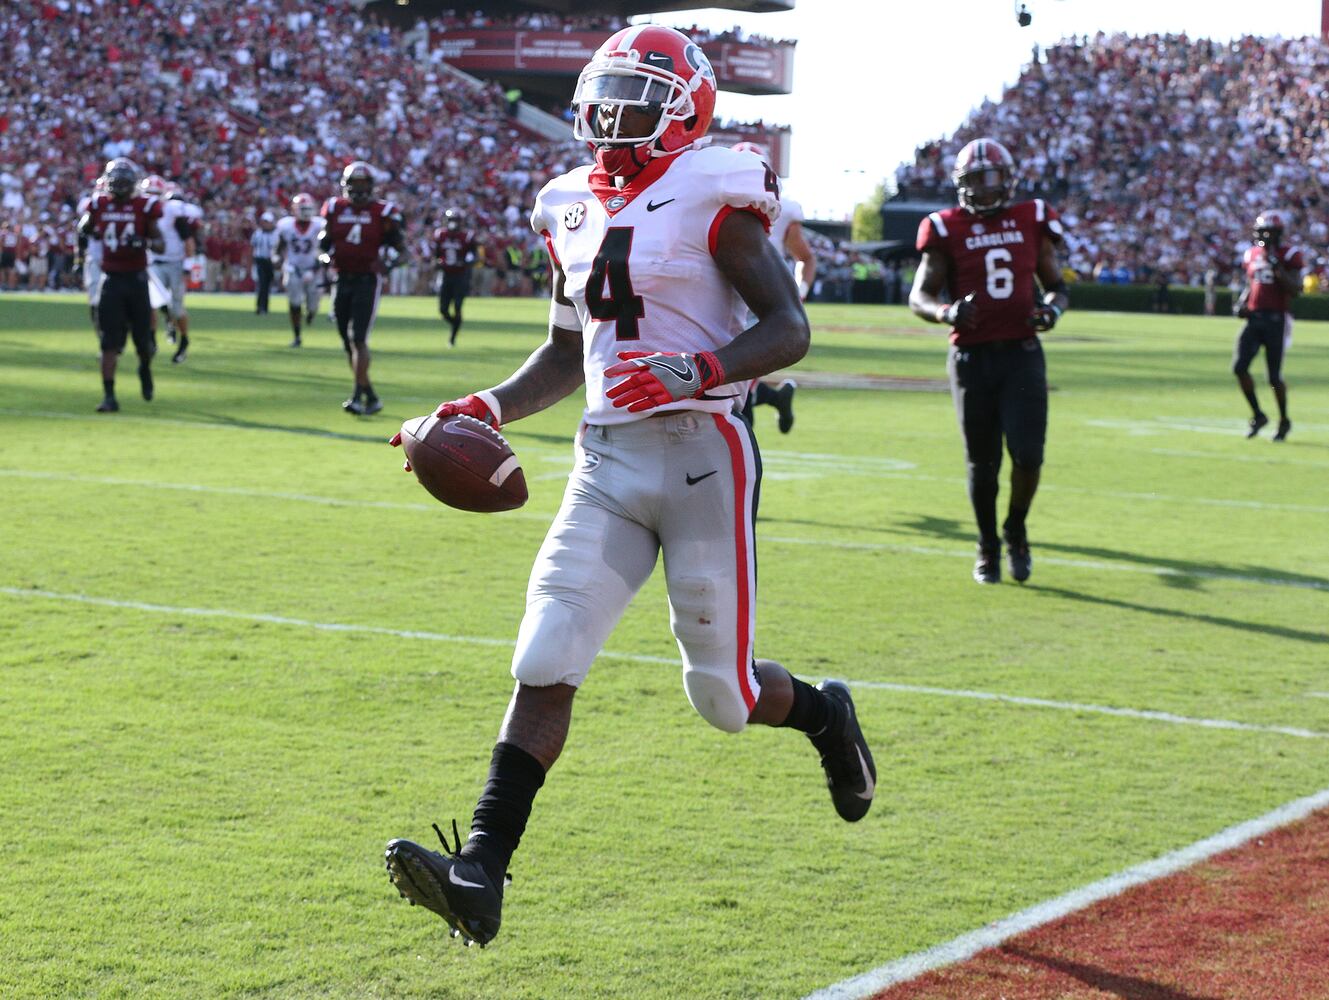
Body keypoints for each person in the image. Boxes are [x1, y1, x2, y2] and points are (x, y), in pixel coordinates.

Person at [383, 25, 876, 948]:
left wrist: (699, 369)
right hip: (605, 458)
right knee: (545, 651)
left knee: (721, 697)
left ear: (684, 110)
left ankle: (823, 714)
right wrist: (488, 404)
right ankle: (480, 871)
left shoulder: (716, 193)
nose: (613, 117)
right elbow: (565, 351)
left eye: (636, 100)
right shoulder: (565, 202)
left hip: (702, 456)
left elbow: (788, 327)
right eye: (606, 98)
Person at [908, 137, 1069, 585]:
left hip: (1022, 354)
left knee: (1028, 456)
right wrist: (947, 312)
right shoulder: (944, 226)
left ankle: (1015, 528)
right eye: (976, 179)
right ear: (962, 183)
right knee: (983, 464)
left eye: (992, 177)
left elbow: (1057, 286)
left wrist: (1051, 311)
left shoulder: (1032, 217)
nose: (984, 187)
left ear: (1008, 179)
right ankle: (987, 545)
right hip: (971, 359)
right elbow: (920, 295)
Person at [731, 141, 812, 435]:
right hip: (723, 298)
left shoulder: (784, 209)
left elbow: (805, 258)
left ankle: (744, 449)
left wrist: (798, 293)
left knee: (737, 384)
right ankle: (777, 397)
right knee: (732, 382)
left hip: (759, 301)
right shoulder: (708, 201)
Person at [319, 160, 408, 414]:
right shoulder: (334, 208)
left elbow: (402, 250)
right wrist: (323, 257)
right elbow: (323, 243)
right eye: (354, 184)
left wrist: (387, 265)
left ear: (371, 186)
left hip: (367, 280)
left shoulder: (383, 212)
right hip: (342, 278)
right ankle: (370, 395)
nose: (358, 189)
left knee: (358, 339)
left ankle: (357, 396)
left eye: (363, 184)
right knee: (347, 342)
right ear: (345, 185)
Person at [78, 158, 165, 413]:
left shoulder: (145, 206)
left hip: (137, 279)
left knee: (143, 342)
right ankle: (109, 396)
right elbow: (84, 228)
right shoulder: (98, 204)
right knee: (108, 343)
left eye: (123, 182)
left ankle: (144, 368)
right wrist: (91, 231)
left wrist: (144, 242)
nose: (119, 187)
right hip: (111, 279)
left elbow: (160, 243)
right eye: (116, 182)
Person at [1232, 210, 1302, 441]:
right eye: (1261, 232)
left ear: (1278, 233)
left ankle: (1284, 420)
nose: (1264, 236)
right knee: (1239, 368)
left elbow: (1296, 289)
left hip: (1276, 319)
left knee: (1273, 377)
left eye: (1268, 232)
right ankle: (1258, 414)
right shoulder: (1252, 253)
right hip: (1254, 318)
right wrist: (1243, 302)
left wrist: (1278, 269)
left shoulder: (1289, 254)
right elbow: (1252, 283)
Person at [141, 175, 204, 364]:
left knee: (177, 309)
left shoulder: (172, 211)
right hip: (154, 263)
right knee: (150, 305)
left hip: (175, 263)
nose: (151, 197)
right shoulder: (141, 210)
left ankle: (184, 340)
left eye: (155, 193)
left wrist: (187, 266)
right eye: (148, 193)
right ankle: (151, 340)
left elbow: (188, 240)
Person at [274, 192, 324, 348]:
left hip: (314, 268)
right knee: (294, 303)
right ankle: (297, 336)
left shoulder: (319, 225)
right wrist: (276, 258)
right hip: (293, 268)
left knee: (313, 305)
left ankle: (311, 314)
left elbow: (324, 250)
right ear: (294, 209)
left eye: (308, 208)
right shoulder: (286, 226)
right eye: (302, 209)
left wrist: (316, 267)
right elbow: (279, 247)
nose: (306, 212)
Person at [432, 208, 477, 346]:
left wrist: (466, 261)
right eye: (451, 220)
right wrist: (438, 262)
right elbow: (436, 254)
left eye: (456, 220)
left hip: (460, 276)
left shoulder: (467, 236)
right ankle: (455, 324)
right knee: (443, 309)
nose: (453, 223)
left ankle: (452, 337)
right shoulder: (440, 234)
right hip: (446, 275)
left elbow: (473, 255)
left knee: (457, 306)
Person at [251, 211, 277, 315]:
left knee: (267, 285)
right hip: (260, 260)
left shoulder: (275, 233)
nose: (265, 224)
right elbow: (252, 247)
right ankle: (260, 307)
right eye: (264, 222)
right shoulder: (257, 233)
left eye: (267, 222)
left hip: (270, 262)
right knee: (262, 284)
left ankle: (264, 307)